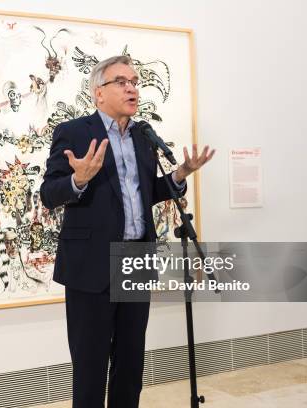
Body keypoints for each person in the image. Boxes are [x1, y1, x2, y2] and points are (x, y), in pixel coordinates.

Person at [39, 55, 214, 408]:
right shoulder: (74, 132)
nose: (132, 87)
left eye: (134, 81)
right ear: (98, 93)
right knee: (90, 367)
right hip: (91, 265)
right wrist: (78, 179)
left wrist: (179, 175)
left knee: (130, 362)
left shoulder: (142, 135)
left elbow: (148, 191)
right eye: (121, 81)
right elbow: (48, 192)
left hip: (136, 259)